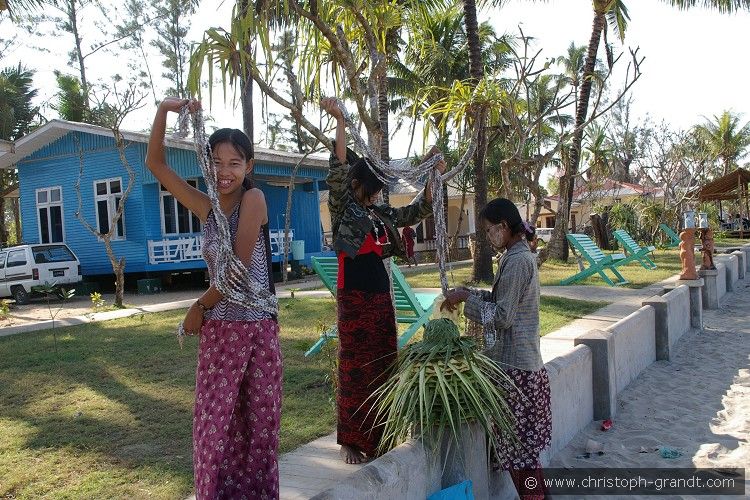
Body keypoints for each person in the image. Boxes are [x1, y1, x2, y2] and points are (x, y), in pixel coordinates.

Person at [146, 97, 282, 499]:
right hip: (221, 334)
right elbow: (156, 164)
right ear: (207, 164)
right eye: (217, 163)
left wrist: (199, 305)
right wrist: (164, 111)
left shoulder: (253, 200)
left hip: (255, 331)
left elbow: (237, 271)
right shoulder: (206, 207)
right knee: (214, 428)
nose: (225, 172)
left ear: (248, 168)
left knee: (256, 430)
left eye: (234, 163)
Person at [320, 97, 446, 464]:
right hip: (354, 299)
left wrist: (432, 177)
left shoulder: (379, 212)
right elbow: (338, 164)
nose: (377, 194)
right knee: (355, 366)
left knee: (384, 363)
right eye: (373, 188)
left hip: (379, 299)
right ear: (359, 184)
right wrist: (341, 121)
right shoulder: (344, 206)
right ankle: (350, 441)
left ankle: (381, 435)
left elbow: (415, 211)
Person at [441, 198, 551, 500]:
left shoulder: (517, 261)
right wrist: (467, 294)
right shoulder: (516, 256)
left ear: (504, 227)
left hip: (517, 370)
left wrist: (468, 301)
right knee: (523, 456)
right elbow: (501, 300)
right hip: (522, 366)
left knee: (520, 457)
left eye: (489, 231)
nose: (488, 237)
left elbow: (502, 317)